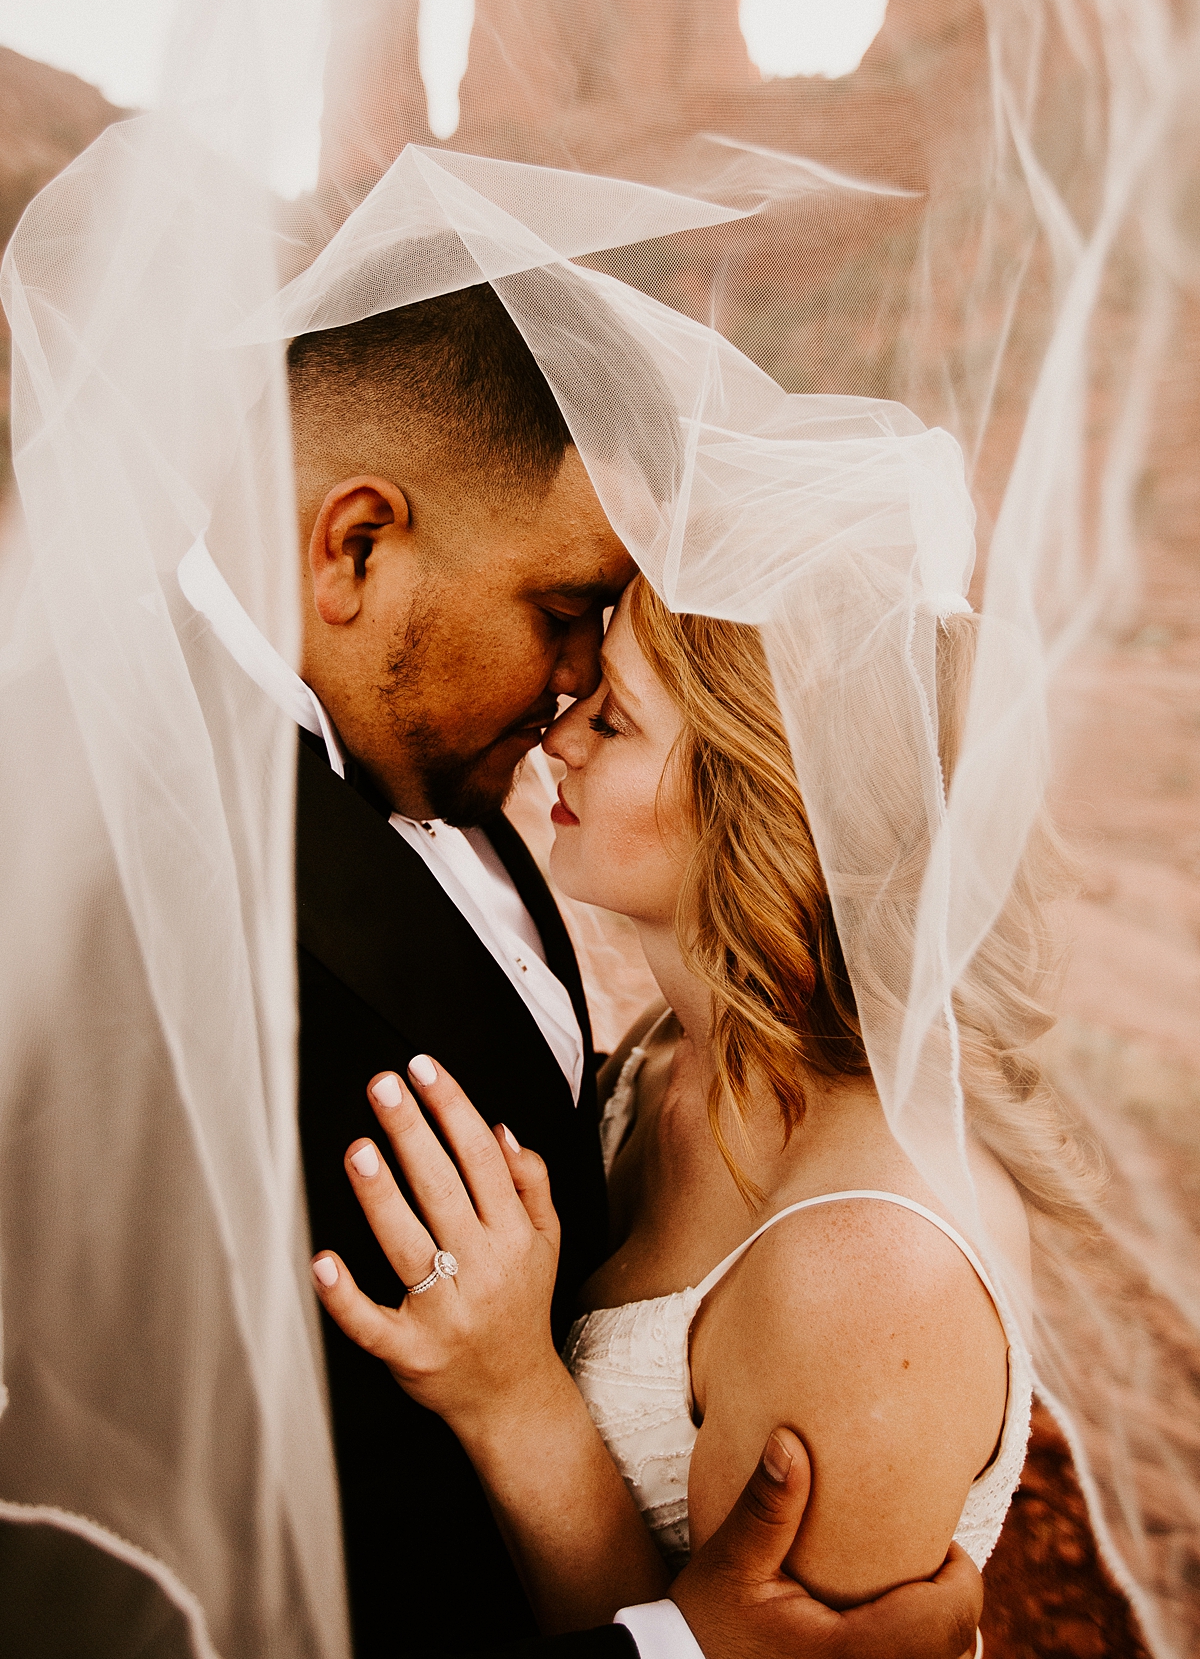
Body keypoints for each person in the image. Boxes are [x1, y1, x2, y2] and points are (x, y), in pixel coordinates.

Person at [173, 280, 985, 1659]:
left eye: (610, 701)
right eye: (562, 614)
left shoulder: (436, 741)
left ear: (754, 788)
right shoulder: (125, 866)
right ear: (354, 547)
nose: (561, 702)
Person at [310, 575, 1090, 1642]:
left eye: (615, 718)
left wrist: (513, 1397)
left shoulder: (873, 1273)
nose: (558, 737)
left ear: (759, 799)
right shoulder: (677, 1054)